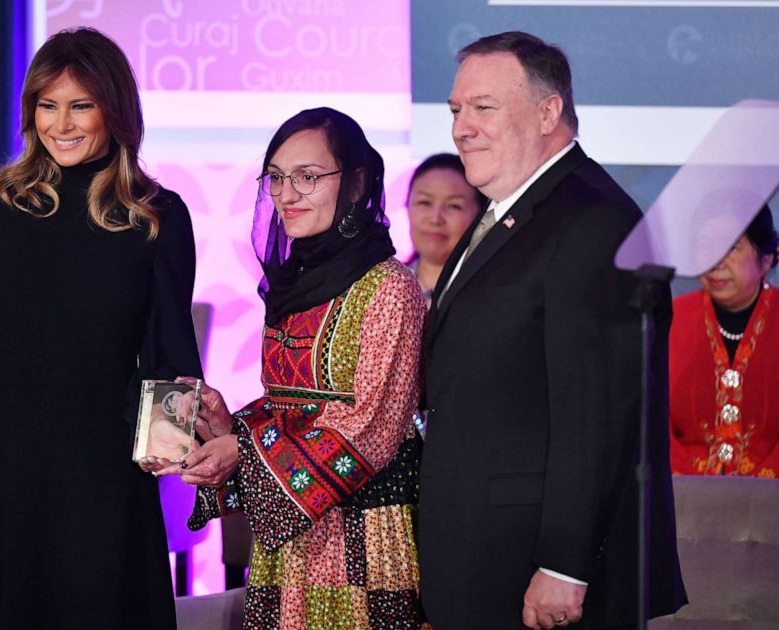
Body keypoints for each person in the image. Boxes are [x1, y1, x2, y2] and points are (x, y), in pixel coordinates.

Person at [0, 28, 201, 629]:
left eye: (81, 105)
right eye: (47, 105)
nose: (61, 123)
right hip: (6, 480)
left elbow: (171, 354)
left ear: (114, 110)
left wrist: (162, 470)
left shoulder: (156, 214)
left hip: (107, 481)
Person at [420, 31, 687, 629]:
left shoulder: (594, 220)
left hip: (539, 576)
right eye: (457, 110)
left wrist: (566, 566)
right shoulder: (509, 210)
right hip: (484, 557)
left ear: (548, 113)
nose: (462, 127)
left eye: (483, 108)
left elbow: (596, 411)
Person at [142, 107, 428, 628]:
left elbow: (369, 429)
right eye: (276, 177)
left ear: (357, 182)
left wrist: (244, 451)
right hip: (290, 537)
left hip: (363, 536)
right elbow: (290, 410)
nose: (287, 194)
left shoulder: (390, 287)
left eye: (308, 177)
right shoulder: (294, 286)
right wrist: (230, 426)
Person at [670, 205, 779, 476]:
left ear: (766, 258)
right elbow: (647, 421)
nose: (715, 261)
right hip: (684, 503)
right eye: (704, 246)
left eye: (730, 247)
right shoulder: (669, 320)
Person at [404, 153, 486, 305]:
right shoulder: (384, 287)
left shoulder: (491, 292)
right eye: (425, 202)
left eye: (454, 206)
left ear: (480, 216)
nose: (436, 219)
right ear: (407, 206)